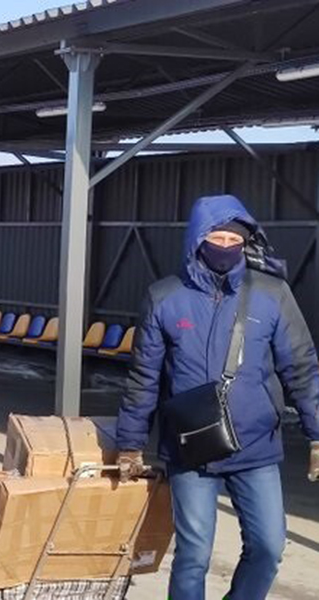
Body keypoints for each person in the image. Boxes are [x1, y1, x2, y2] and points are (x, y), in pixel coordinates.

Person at [116, 194, 319, 600]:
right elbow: (144, 377)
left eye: (233, 239)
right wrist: (130, 445)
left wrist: (317, 433)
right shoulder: (164, 297)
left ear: (246, 242)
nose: (225, 246)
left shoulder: (272, 294)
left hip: (256, 446)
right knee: (193, 556)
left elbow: (301, 367)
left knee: (268, 548)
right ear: (197, 239)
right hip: (189, 448)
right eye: (216, 237)